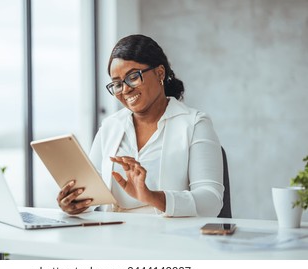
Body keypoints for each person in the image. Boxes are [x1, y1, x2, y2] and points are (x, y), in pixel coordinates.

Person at [57, 34, 224, 217]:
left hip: (171, 240)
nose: (126, 89)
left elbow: (211, 201)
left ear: (160, 73)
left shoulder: (195, 124)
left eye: (133, 77)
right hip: (114, 237)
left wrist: (151, 196)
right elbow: (91, 193)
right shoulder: (110, 127)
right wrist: (74, 203)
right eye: (117, 84)